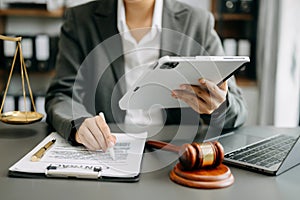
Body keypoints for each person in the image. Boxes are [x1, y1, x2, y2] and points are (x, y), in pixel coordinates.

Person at [45, 0, 247, 151]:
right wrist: (78, 123)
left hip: (175, 153)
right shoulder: (80, 20)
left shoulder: (197, 22)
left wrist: (217, 107)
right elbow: (61, 95)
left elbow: (238, 108)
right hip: (106, 150)